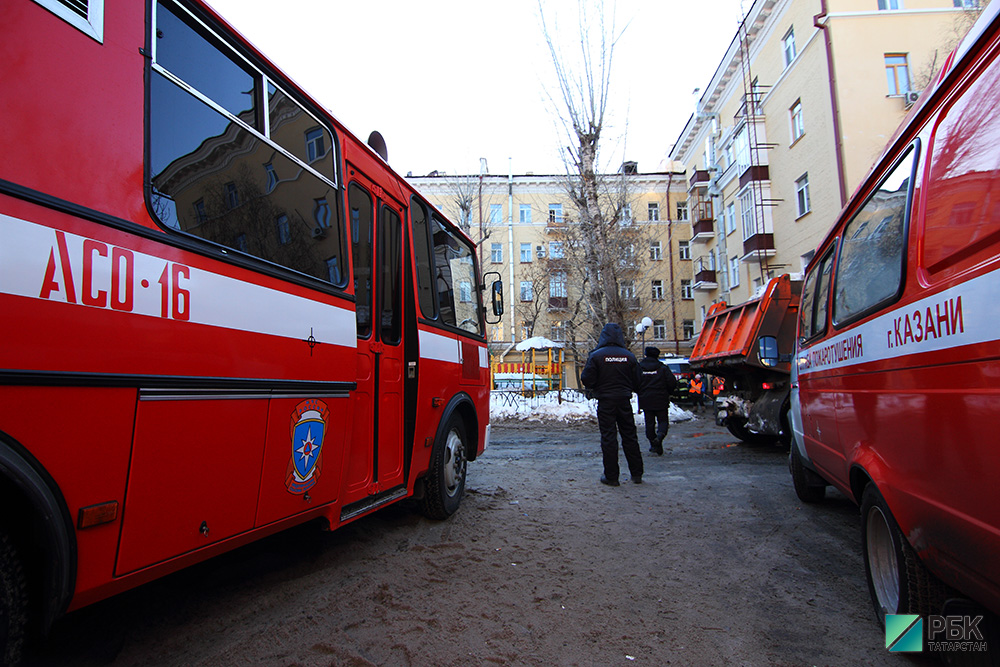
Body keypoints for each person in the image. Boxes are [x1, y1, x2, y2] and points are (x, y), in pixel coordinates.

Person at [581, 323, 643, 485]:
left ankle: (611, 476)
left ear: (603, 336)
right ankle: (637, 474)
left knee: (608, 438)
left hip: (606, 401)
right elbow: (638, 381)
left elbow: (586, 379)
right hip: (624, 401)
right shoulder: (629, 356)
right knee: (630, 436)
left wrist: (597, 386)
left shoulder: (596, 356)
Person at [635, 346, 677, 455]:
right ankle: (659, 437)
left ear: (646, 355)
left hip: (646, 399)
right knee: (663, 421)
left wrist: (640, 391)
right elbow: (672, 382)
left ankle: (654, 444)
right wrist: (668, 392)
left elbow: (634, 382)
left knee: (649, 423)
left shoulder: (639, 368)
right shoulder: (663, 368)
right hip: (661, 399)